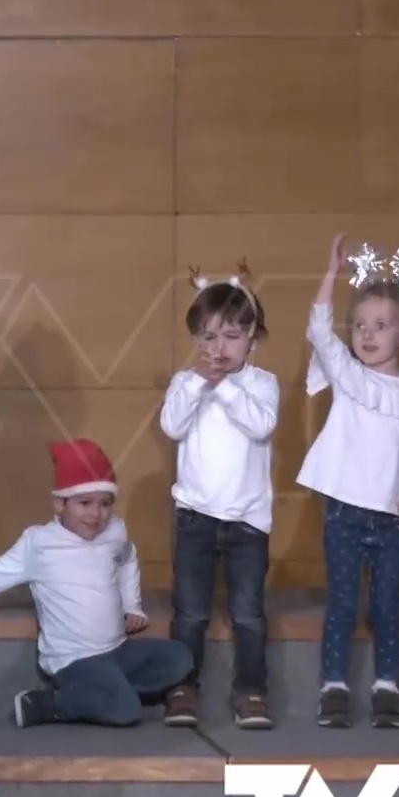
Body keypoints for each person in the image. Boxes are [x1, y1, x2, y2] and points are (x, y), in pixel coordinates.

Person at [0, 439, 193, 728]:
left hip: (116, 650)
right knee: (125, 710)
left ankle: (107, 689)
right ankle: (50, 704)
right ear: (60, 503)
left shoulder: (114, 531)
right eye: (85, 503)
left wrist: (132, 604)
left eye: (105, 504)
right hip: (74, 660)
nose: (96, 515)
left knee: (180, 658)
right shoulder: (39, 544)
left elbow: (128, 559)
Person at [298, 234, 399, 729]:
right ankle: (333, 686)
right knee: (343, 604)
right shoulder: (349, 376)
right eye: (361, 325)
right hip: (344, 514)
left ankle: (387, 685)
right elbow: (321, 332)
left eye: (381, 326)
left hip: (393, 520)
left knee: (386, 606)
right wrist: (331, 274)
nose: (367, 335)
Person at [157, 262, 279, 730]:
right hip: (195, 516)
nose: (218, 348)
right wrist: (198, 386)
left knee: (248, 613)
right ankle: (182, 687)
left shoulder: (260, 384)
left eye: (230, 336)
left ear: (253, 338)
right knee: (189, 612)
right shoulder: (186, 383)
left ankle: (252, 691)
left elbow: (261, 424)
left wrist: (222, 386)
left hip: (249, 522)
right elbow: (172, 426)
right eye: (208, 338)